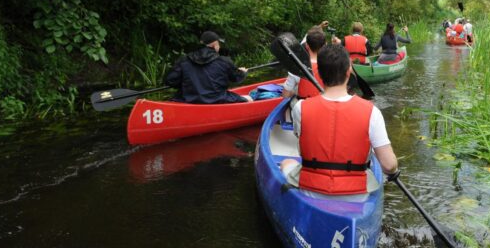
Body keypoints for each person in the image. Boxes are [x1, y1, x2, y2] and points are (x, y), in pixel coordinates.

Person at [280, 44, 399, 201]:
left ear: (320, 75)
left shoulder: (300, 108)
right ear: (348, 72)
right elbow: (389, 165)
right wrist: (393, 172)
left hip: (311, 189)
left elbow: (301, 138)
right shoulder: (372, 112)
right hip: (356, 195)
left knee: (286, 162)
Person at [164, 31, 251, 104]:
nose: (219, 46)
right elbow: (235, 79)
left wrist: (186, 84)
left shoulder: (184, 60)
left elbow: (170, 81)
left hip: (188, 100)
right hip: (218, 99)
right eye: (219, 44)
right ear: (214, 45)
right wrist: (243, 72)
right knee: (249, 100)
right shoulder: (224, 61)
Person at [283, 27, 326, 99]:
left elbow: (285, 95)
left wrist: (293, 93)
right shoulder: (332, 64)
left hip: (303, 105)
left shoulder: (297, 66)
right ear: (324, 45)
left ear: (307, 46)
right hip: (323, 105)